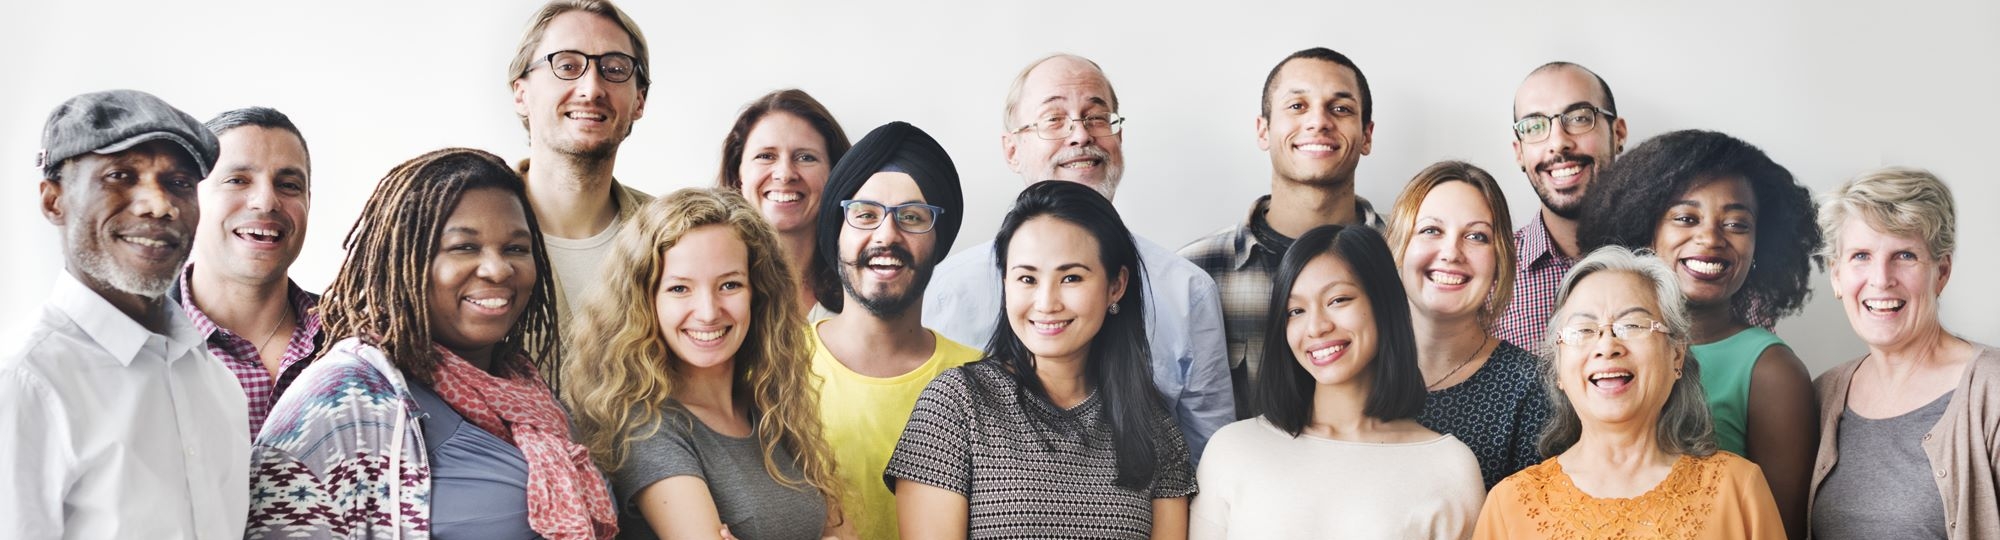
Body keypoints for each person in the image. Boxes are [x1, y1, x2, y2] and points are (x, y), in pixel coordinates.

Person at [246, 148, 616, 539]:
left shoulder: (529, 395)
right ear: (402, 261)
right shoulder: (343, 397)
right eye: (464, 247)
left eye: (516, 248)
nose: (497, 268)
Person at [925, 53, 1233, 459]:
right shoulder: (948, 289)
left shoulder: (1186, 289)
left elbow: (1209, 459)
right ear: (1012, 149)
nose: (1080, 135)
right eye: (1054, 119)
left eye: (1096, 117)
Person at [2, 89, 248, 538]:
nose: (159, 205)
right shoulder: (23, 383)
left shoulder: (217, 384)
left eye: (179, 183)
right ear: (53, 201)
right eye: (120, 175)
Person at [888, 181, 1195, 539]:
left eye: (1071, 277)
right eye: (1027, 278)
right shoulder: (954, 404)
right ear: (1006, 284)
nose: (1047, 302)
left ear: (1116, 286)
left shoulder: (1155, 427)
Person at [566, 188, 850, 539]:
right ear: (645, 300)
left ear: (757, 293)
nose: (708, 312)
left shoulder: (772, 408)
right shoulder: (645, 427)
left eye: (729, 285)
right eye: (679, 289)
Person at [1576, 129, 1821, 537]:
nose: (1710, 238)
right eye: (1687, 218)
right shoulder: (1601, 352)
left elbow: (1780, 529)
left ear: (1761, 244)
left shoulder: (1770, 371)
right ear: (1646, 230)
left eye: (1737, 224)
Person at [1193, 224, 1484, 539]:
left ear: (1384, 305)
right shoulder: (1233, 449)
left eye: (1338, 300)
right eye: (1296, 311)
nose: (1316, 327)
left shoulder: (1449, 467)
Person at [1473, 246, 1783, 539]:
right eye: (1583, 331)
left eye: (1632, 325)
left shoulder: (1738, 488)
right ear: (1558, 370)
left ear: (1676, 354)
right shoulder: (1509, 506)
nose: (1607, 346)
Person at [1181, 47, 1384, 418]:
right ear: (1264, 130)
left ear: (1367, 135)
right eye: (1297, 106)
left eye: (1340, 109)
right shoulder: (1194, 274)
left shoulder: (1411, 257)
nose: (1318, 122)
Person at [805, 121, 981, 539]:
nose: (887, 234)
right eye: (864, 214)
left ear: (939, 240)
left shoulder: (985, 381)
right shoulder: (771, 367)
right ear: (837, 232)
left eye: (912, 217)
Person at [1808, 167, 1999, 539]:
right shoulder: (1821, 395)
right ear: (1836, 276)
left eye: (1906, 255)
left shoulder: (1992, 390)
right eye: (1861, 255)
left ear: (1941, 272)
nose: (1881, 278)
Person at [1386, 161, 1550, 489]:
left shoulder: (1533, 389)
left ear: (1500, 260)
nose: (1451, 252)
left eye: (1476, 236)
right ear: (1398, 247)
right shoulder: (1353, 367)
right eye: (1431, 230)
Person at [173, 106, 325, 437]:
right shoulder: (135, 344)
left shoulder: (358, 339)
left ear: (308, 202)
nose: (266, 201)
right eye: (237, 180)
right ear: (188, 197)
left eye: (288, 184)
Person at [507, 0, 657, 317]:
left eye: (614, 69)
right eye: (567, 66)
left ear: (639, 101)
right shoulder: (459, 226)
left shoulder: (672, 236)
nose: (591, 89)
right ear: (522, 94)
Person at [1497, 62, 1628, 356]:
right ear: (1519, 153)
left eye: (1580, 118)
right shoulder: (1490, 277)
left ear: (1618, 133)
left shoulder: (1672, 260)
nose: (1558, 143)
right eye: (1534, 126)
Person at [716, 88, 852, 316]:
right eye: (766, 156)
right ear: (737, 175)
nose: (785, 174)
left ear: (835, 175)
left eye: (806, 157)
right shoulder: (707, 284)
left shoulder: (863, 285)